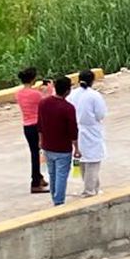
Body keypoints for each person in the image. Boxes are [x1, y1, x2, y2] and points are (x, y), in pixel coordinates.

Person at [37, 76, 77, 206]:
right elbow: (73, 131)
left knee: (52, 173)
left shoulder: (43, 103)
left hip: (47, 145)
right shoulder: (68, 108)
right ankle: (59, 200)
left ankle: (55, 198)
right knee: (61, 175)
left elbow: (40, 125)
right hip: (62, 148)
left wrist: (40, 141)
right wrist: (77, 148)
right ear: (68, 91)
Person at [68, 69, 107, 197]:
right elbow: (100, 114)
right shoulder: (94, 95)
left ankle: (94, 188)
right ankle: (90, 190)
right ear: (92, 81)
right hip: (90, 129)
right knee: (93, 161)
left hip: (76, 129)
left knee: (83, 160)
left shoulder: (72, 95)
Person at [15, 66, 51, 194]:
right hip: (37, 126)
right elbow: (46, 102)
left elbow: (31, 97)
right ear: (33, 79)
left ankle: (38, 177)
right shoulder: (36, 94)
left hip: (27, 126)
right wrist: (48, 90)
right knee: (40, 153)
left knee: (34, 152)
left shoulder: (19, 94)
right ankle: (35, 182)